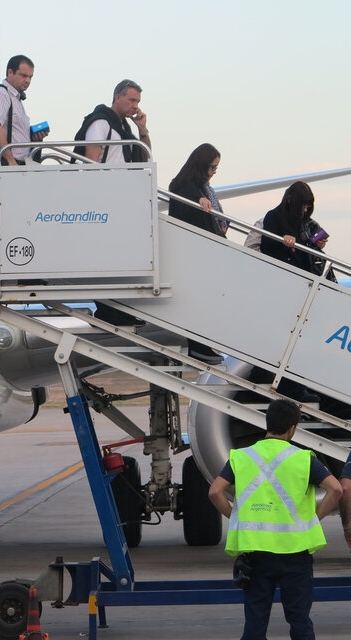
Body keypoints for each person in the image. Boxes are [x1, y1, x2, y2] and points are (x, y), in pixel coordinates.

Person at [208, 399, 342, 640]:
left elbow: (215, 491)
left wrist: (235, 518)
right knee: (299, 621)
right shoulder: (303, 459)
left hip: (256, 554)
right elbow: (336, 490)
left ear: (267, 424)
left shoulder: (242, 457)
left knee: (255, 625)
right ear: (293, 428)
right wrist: (313, 519)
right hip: (295, 554)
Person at [0, 54, 49, 286]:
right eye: (23, 75)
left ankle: (26, 274)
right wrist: (9, 159)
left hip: (13, 167)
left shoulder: (17, 100)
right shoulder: (0, 93)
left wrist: (34, 138)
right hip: (3, 167)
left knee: (21, 220)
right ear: (10, 73)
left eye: (30, 77)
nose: (27, 80)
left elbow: (10, 132)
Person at [168, 143, 227, 363]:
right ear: (201, 166)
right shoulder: (187, 187)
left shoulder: (201, 187)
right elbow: (182, 193)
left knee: (207, 301)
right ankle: (199, 345)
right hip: (195, 255)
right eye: (212, 168)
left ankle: (204, 344)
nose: (213, 173)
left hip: (204, 254)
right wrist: (198, 200)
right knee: (200, 302)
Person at [260, 181, 331, 277]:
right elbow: (265, 245)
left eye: (307, 206)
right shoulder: (273, 216)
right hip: (282, 271)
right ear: (290, 200)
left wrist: (317, 244)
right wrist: (282, 239)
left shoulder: (307, 222)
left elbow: (307, 247)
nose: (305, 210)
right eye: (303, 206)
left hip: (304, 272)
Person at [73, 79, 151, 164]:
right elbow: (90, 165)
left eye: (137, 102)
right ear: (117, 98)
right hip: (105, 177)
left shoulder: (125, 130)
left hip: (125, 176)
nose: (136, 106)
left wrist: (142, 129)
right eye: (132, 100)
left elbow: (146, 160)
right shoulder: (100, 123)